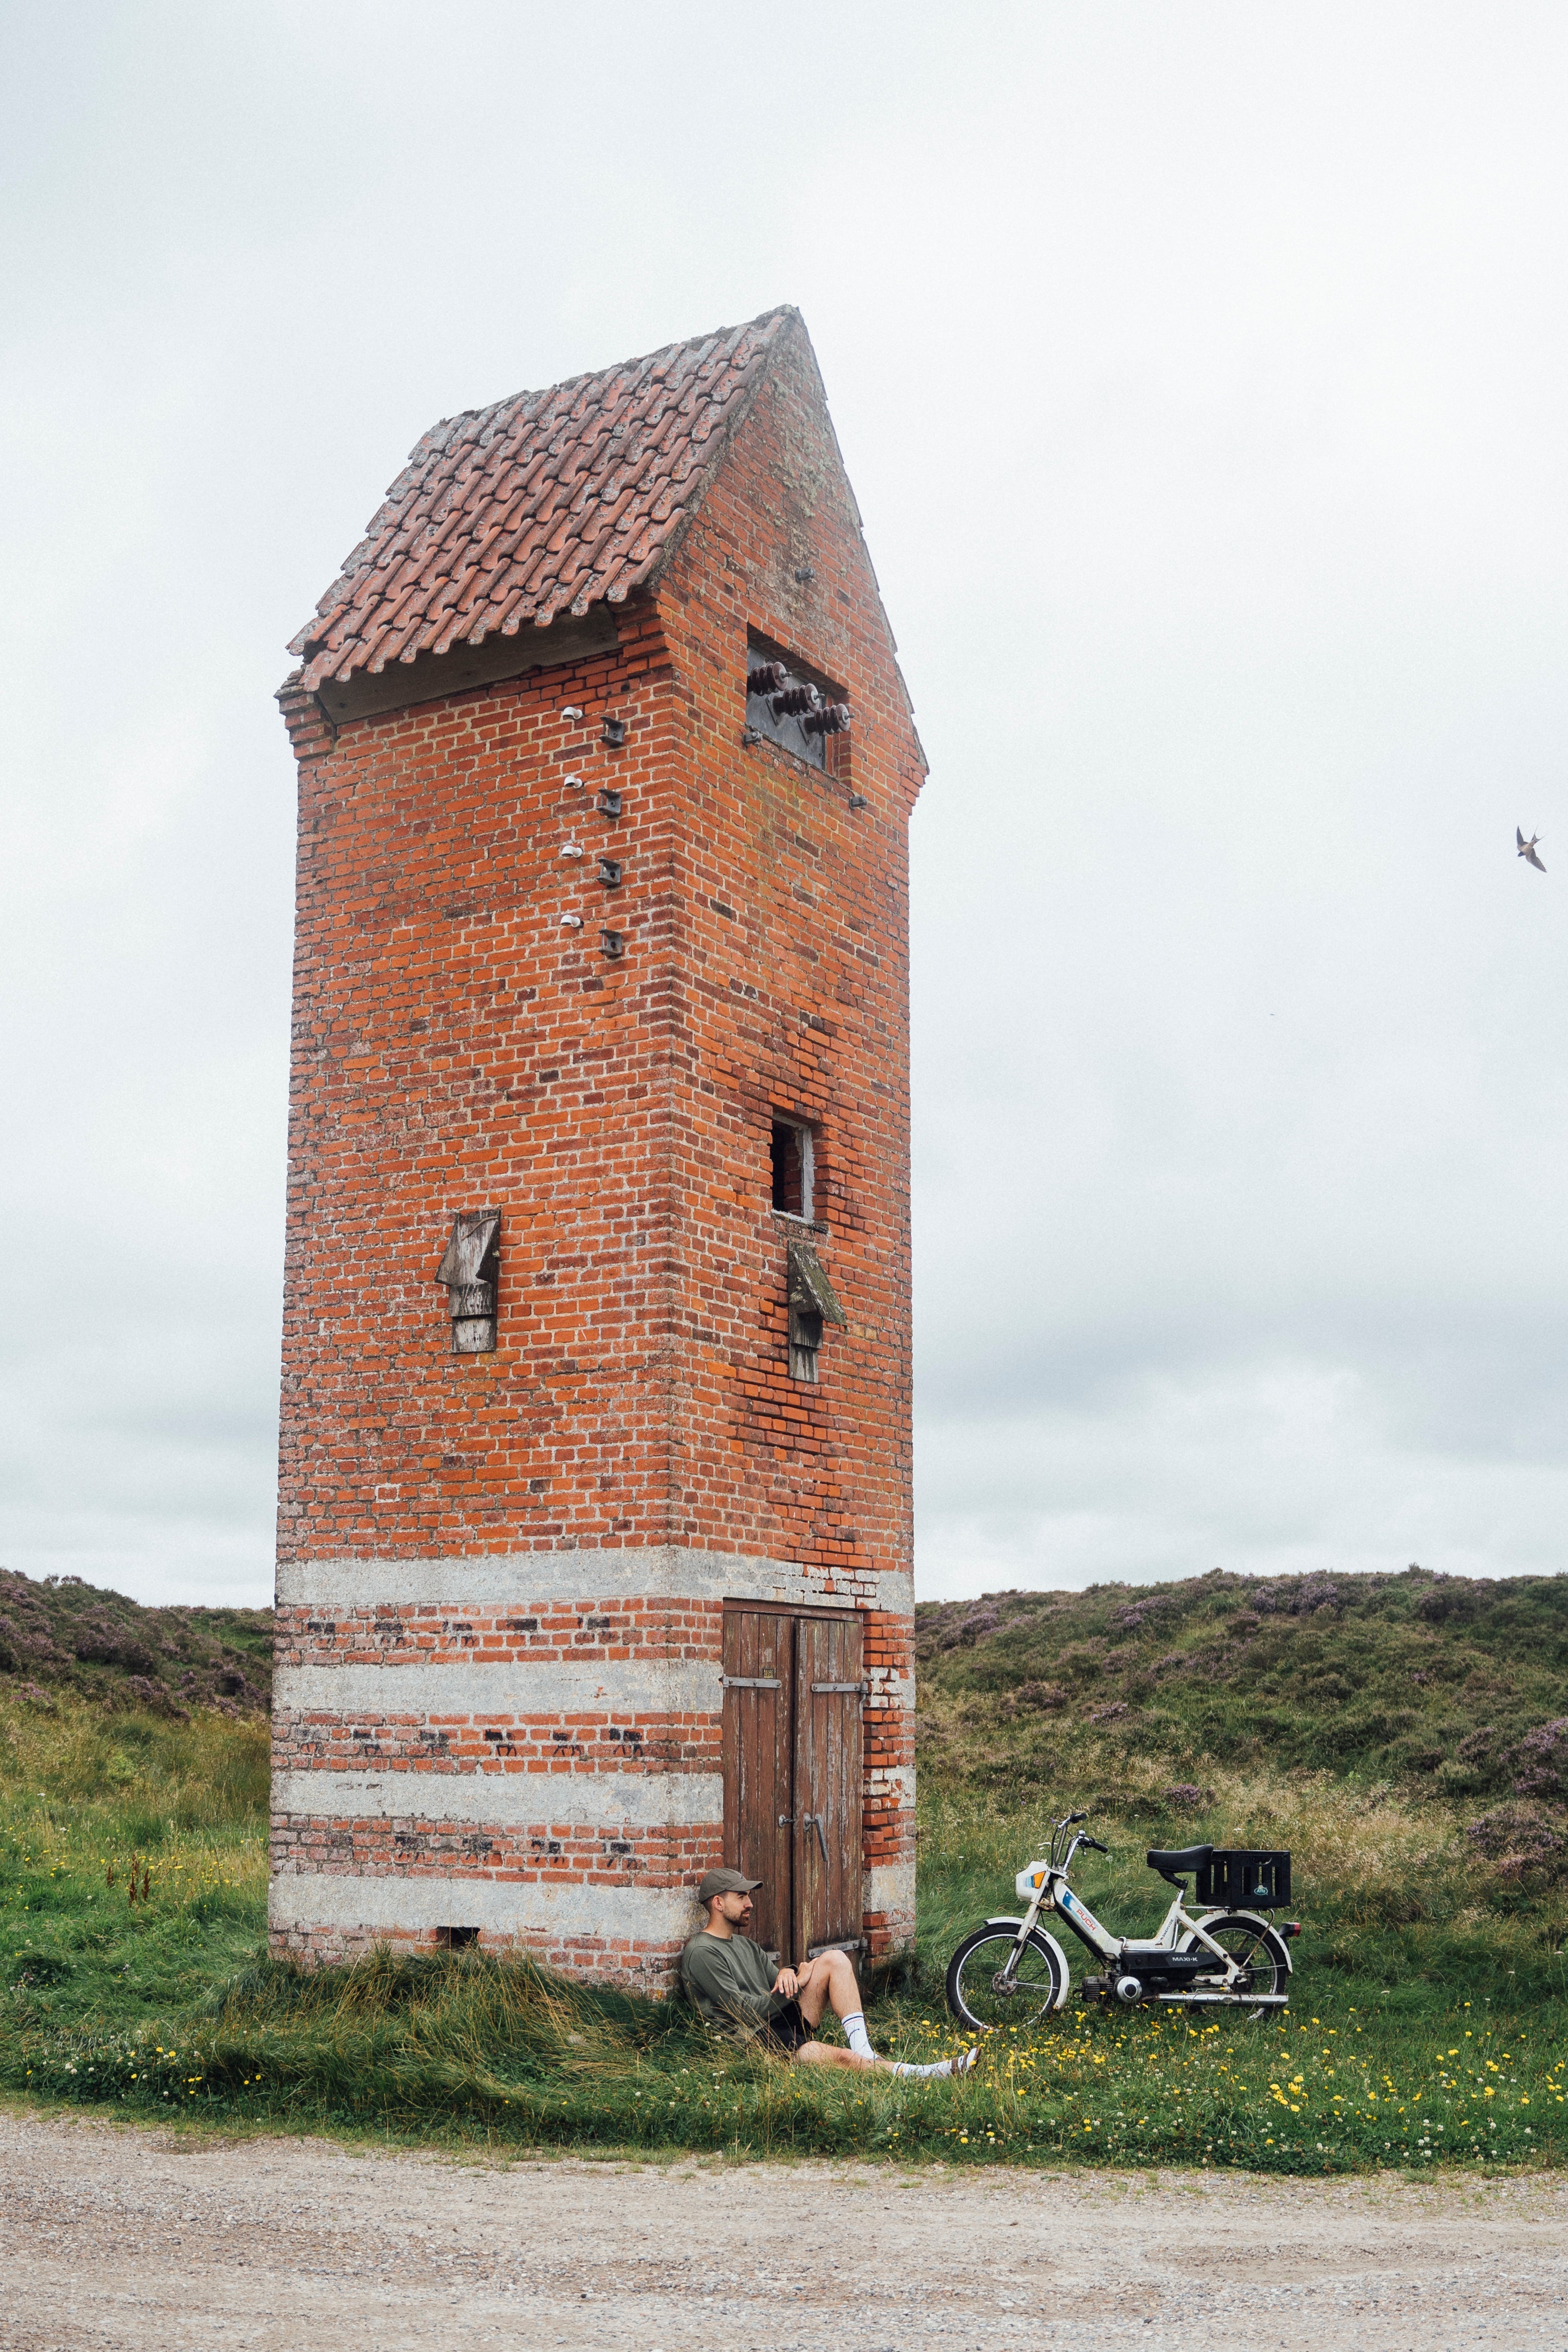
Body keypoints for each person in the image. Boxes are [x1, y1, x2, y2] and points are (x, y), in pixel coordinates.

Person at [680, 1869, 977, 2076]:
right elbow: (742, 2012)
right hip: (752, 2041)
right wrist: (796, 1981)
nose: (750, 1903)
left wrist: (789, 1972)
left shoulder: (745, 1944)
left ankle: (867, 2051)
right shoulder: (703, 1953)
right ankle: (927, 2074)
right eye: (741, 1897)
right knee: (843, 2059)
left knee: (835, 1958)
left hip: (775, 2019)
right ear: (718, 1903)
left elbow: (780, 1983)